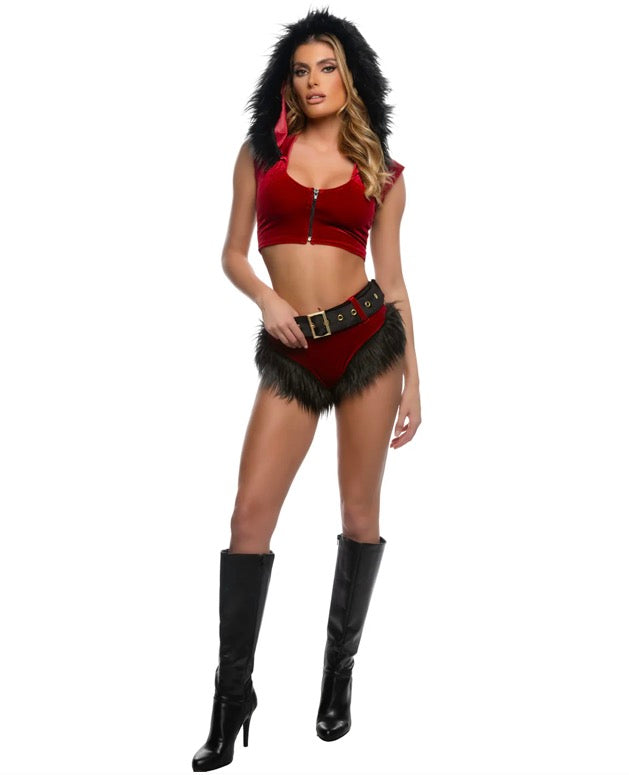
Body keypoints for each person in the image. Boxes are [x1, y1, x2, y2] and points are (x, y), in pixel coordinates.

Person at [192, 8, 422, 772]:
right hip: (291, 353)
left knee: (359, 513)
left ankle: (337, 674)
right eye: (300, 70)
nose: (313, 81)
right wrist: (266, 299)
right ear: (285, 83)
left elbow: (392, 281)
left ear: (350, 79)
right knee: (248, 516)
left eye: (327, 67)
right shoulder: (259, 156)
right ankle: (232, 696)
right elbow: (232, 252)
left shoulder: (383, 171)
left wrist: (414, 377)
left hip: (367, 343)